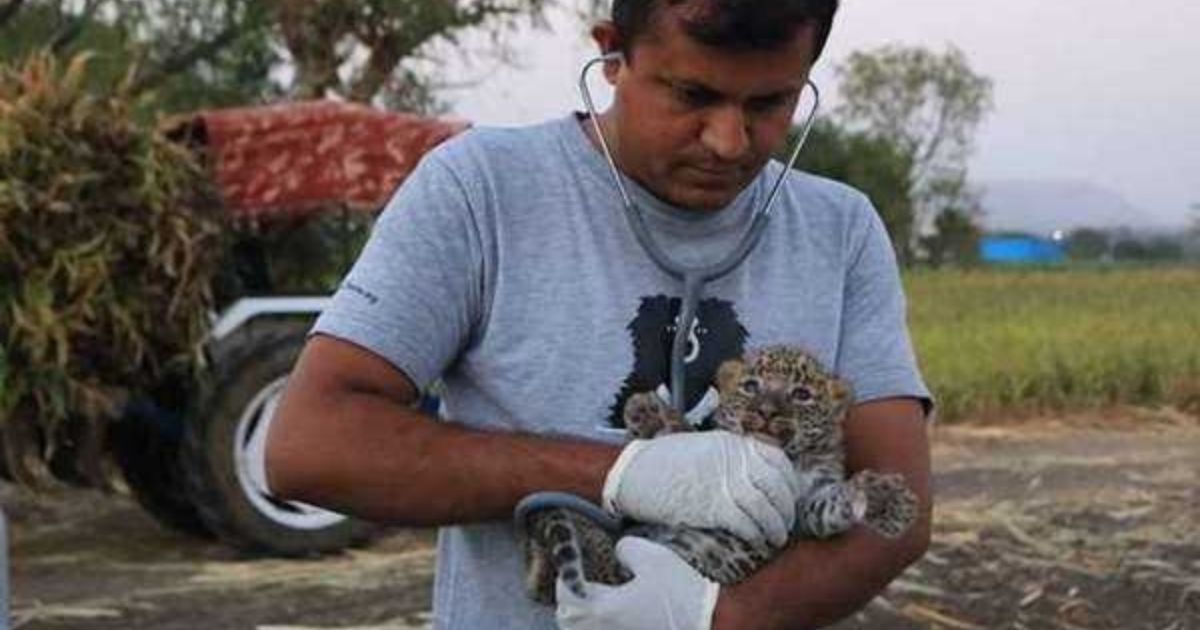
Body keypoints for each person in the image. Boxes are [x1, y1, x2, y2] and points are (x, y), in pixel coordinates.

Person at [265, 0, 933, 628]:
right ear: (613, 55)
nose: (730, 142)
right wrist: (618, 474)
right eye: (692, 95)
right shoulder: (481, 192)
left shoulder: (839, 231)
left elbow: (898, 504)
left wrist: (713, 616)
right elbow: (308, 444)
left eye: (770, 102)